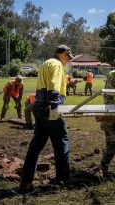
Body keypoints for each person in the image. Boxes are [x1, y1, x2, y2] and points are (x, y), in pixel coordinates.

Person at [19, 45, 74, 193]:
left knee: (36, 144)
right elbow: (53, 87)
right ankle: (63, 180)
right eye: (68, 56)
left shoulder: (47, 63)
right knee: (62, 141)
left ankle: (26, 181)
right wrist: (54, 108)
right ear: (62, 54)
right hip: (49, 107)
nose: (68, 60)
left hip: (38, 106)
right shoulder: (57, 65)